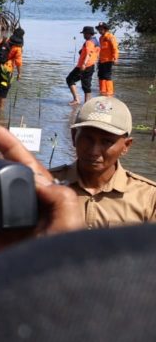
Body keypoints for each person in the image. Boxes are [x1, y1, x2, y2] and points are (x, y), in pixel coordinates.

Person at [49, 96, 156, 227]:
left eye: (107, 142)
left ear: (126, 146)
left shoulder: (148, 198)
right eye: (87, 139)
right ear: (73, 136)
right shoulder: (47, 186)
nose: (94, 151)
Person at [0, 27, 24, 111]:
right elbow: (18, 62)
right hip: (6, 70)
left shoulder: (4, 41)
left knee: (0, 87)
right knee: (4, 89)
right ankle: (0, 111)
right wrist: (19, 73)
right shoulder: (18, 47)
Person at [67, 26, 99, 106]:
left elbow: (89, 53)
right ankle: (87, 104)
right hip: (91, 65)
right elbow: (94, 53)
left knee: (70, 79)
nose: (83, 35)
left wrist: (84, 64)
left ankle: (77, 100)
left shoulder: (89, 42)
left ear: (88, 34)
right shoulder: (96, 41)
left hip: (84, 66)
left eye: (84, 34)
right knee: (87, 85)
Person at [96, 22, 119, 96]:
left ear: (105, 29)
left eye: (101, 29)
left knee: (107, 76)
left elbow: (115, 48)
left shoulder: (110, 37)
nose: (100, 31)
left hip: (108, 60)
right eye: (99, 29)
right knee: (100, 75)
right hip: (101, 60)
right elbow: (100, 49)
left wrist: (115, 58)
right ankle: (102, 91)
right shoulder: (100, 38)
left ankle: (109, 92)